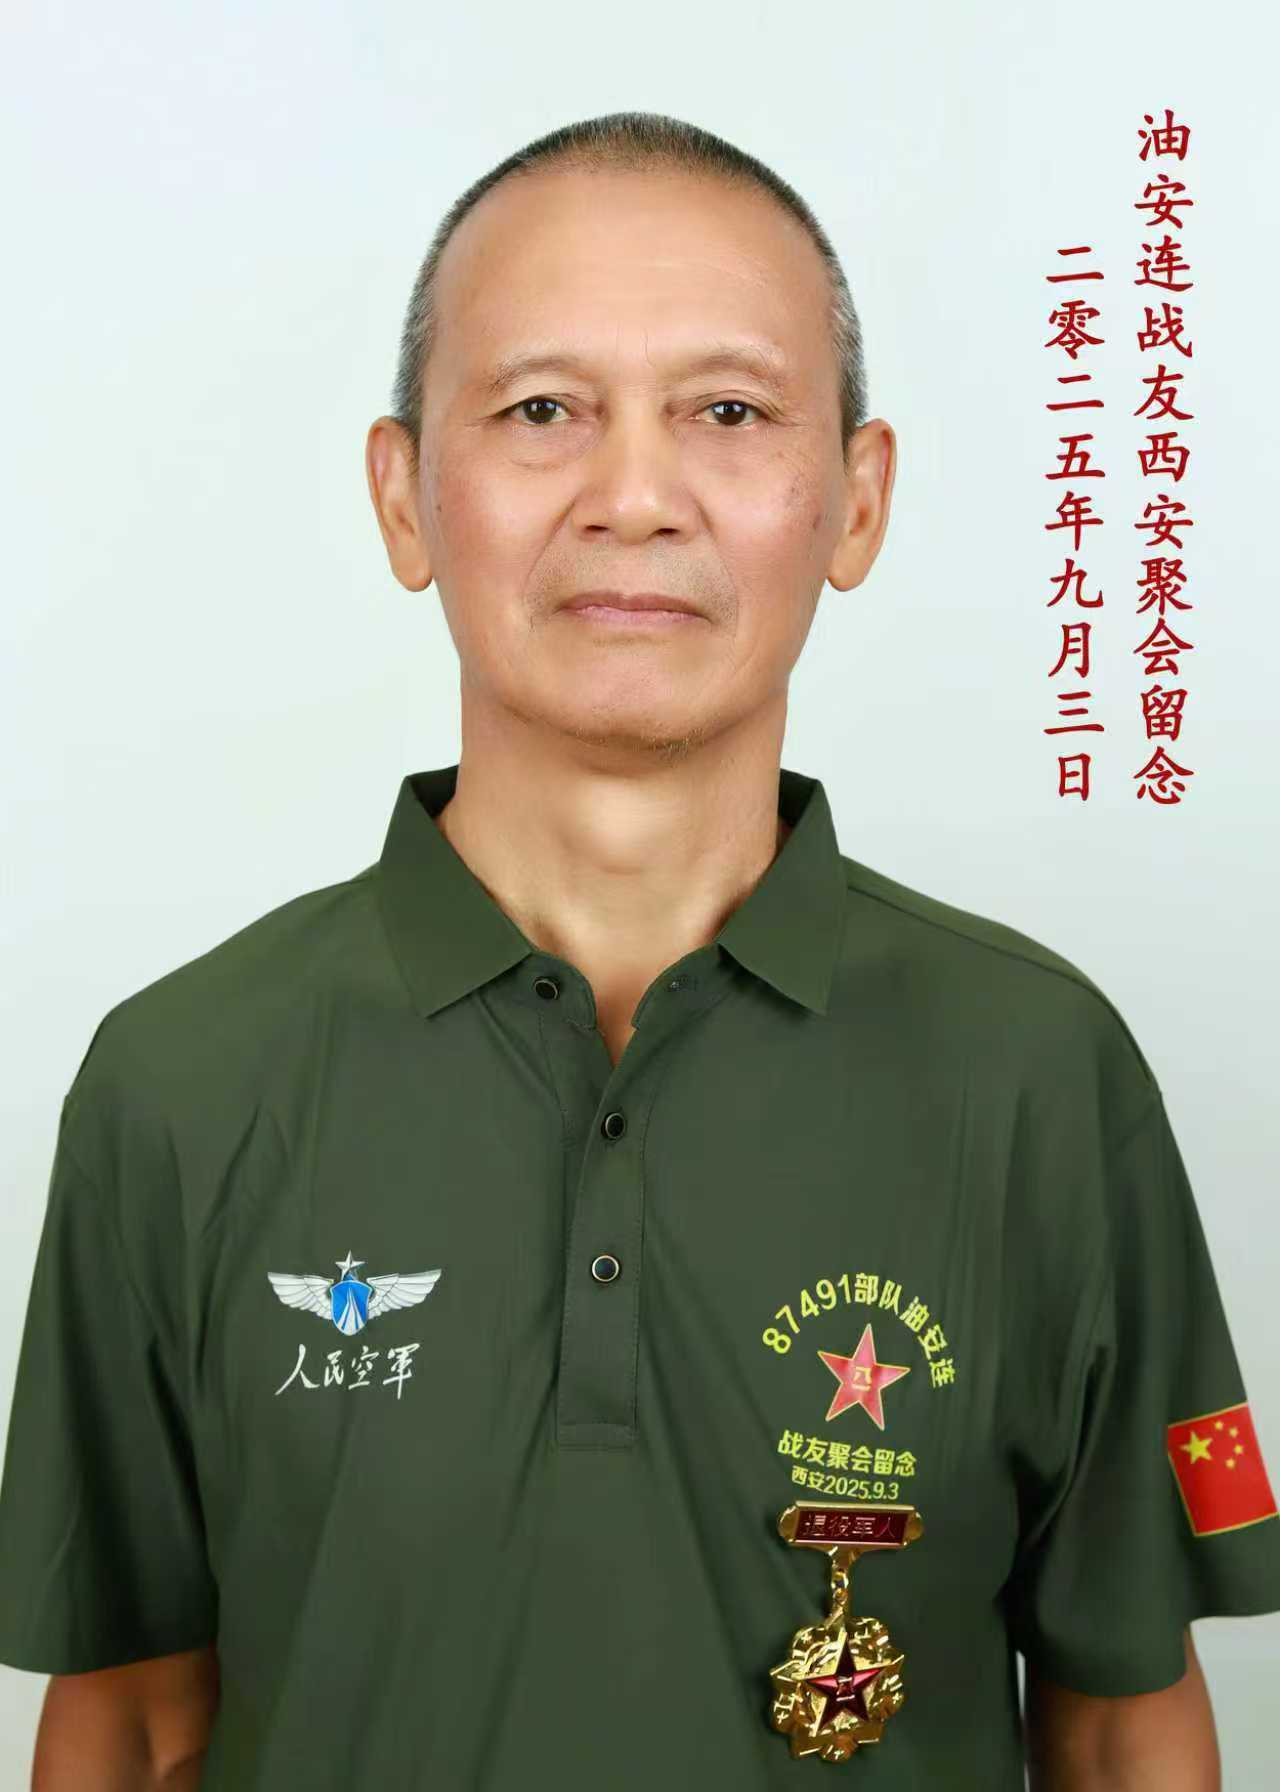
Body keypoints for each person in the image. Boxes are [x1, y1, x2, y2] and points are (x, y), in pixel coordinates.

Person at [1, 109, 1277, 1792]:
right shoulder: (181, 1082)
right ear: (403, 496)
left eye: (728, 412)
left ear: (857, 501)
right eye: (542, 411)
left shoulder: (1040, 1071)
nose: (634, 498)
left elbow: (1120, 1729)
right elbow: (132, 1724)